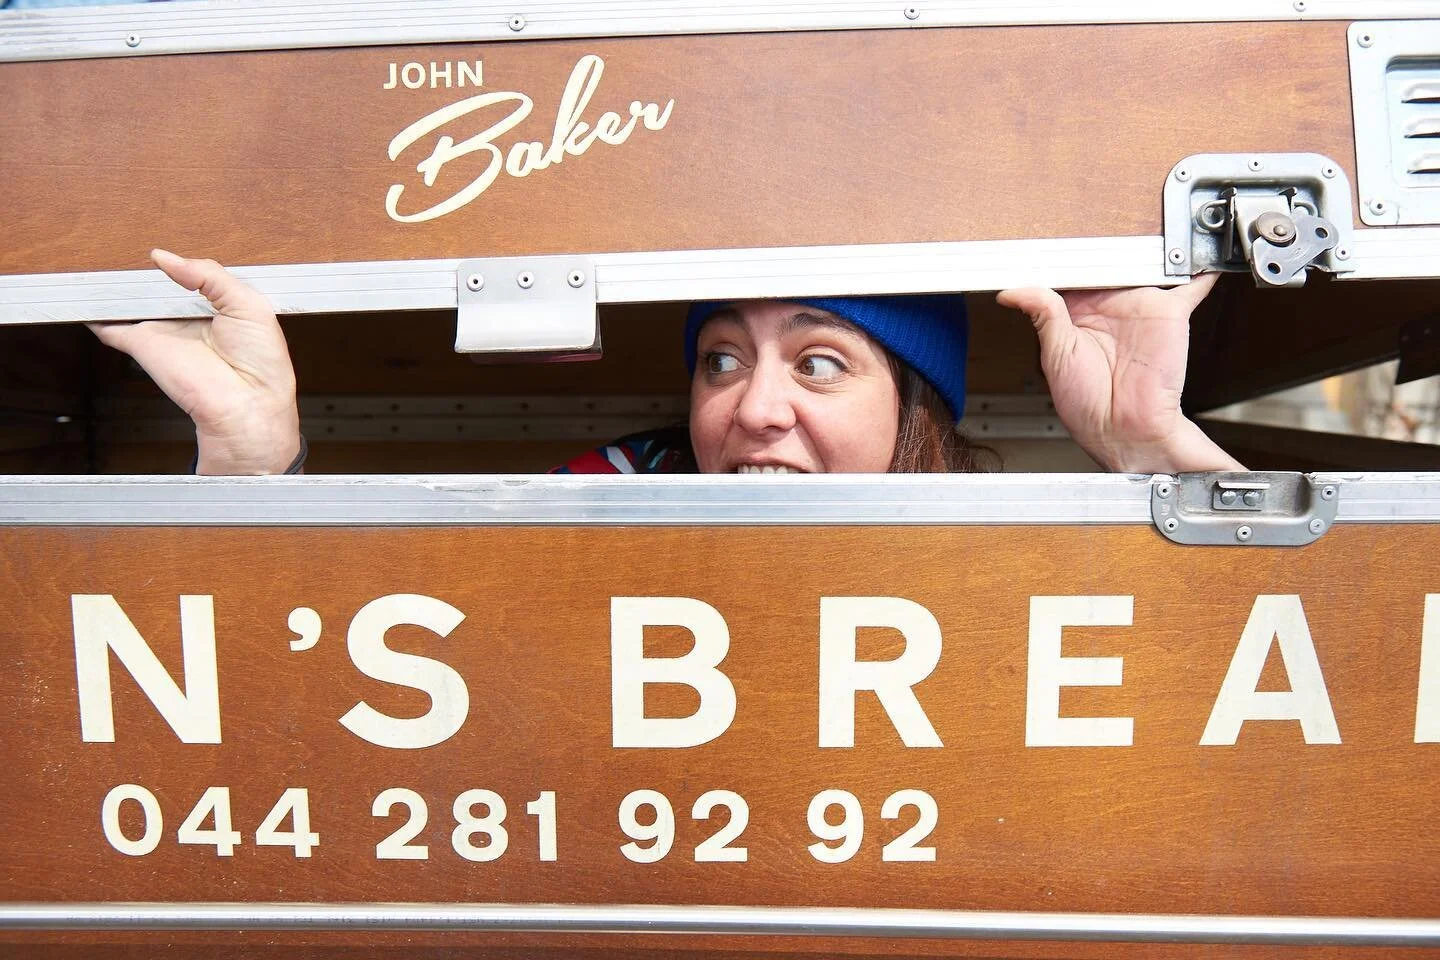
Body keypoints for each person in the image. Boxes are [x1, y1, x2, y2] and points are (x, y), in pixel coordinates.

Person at [87, 249, 1244, 476]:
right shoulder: (601, 505)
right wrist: (251, 469)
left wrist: (1153, 452)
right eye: (722, 359)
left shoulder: (1010, 569)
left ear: (916, 417)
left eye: (826, 364)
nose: (755, 408)